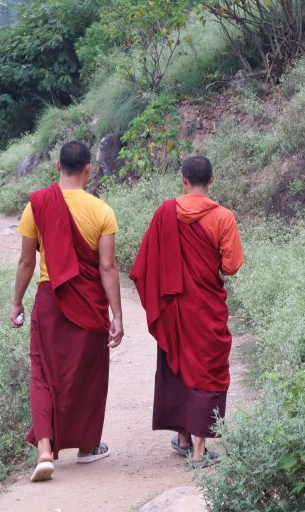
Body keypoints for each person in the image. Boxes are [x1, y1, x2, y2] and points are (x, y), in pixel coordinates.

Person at [10, 141, 124, 483]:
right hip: (89, 303)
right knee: (88, 375)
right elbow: (107, 267)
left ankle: (45, 450)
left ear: (57, 166)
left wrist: (16, 302)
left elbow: (27, 261)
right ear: (89, 169)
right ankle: (87, 447)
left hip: (49, 301)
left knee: (43, 374)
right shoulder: (102, 210)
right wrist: (117, 315)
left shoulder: (37, 206)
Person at [129, 155, 244, 469]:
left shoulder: (166, 213)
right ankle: (197, 449)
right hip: (206, 306)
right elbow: (231, 266)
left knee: (178, 362)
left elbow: (145, 265)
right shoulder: (223, 217)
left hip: (174, 307)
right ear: (212, 181)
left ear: (183, 180)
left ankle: (182, 438)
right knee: (208, 367)